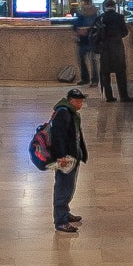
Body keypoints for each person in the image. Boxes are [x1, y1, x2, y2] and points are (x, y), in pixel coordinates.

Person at [48, 88, 89, 233]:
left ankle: (64, 213)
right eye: (78, 101)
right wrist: (62, 158)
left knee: (68, 187)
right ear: (71, 100)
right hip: (66, 159)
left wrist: (81, 153)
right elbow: (58, 138)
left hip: (72, 157)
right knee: (63, 188)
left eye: (81, 101)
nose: (80, 104)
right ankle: (60, 221)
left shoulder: (70, 113)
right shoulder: (63, 113)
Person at [96, 0, 131, 102]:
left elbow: (96, 34)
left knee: (105, 74)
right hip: (117, 49)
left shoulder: (100, 18)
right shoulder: (119, 17)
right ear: (114, 6)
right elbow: (125, 32)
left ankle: (109, 96)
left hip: (105, 49)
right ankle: (124, 96)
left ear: (105, 6)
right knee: (121, 73)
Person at [71, 0, 99, 87]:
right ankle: (90, 79)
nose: (83, 5)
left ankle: (89, 79)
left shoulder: (94, 14)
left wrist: (86, 30)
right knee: (88, 60)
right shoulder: (90, 13)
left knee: (90, 60)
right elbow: (75, 25)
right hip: (87, 40)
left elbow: (97, 26)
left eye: (84, 3)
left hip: (89, 40)